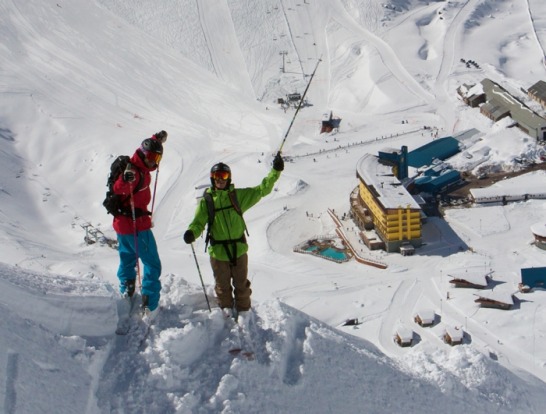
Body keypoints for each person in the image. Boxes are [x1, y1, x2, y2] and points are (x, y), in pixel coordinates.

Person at [183, 153, 284, 317]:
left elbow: (262, 190)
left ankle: (244, 314)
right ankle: (226, 315)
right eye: (216, 176)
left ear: (229, 178)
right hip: (218, 252)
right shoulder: (207, 201)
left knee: (241, 285)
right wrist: (191, 233)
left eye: (223, 175)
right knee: (222, 286)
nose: (220, 179)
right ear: (212, 178)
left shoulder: (237, 197)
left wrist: (275, 171)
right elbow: (198, 222)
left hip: (239, 249)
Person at [112, 131, 167, 317]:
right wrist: (124, 180)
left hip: (122, 226)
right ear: (143, 154)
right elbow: (118, 188)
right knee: (152, 263)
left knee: (127, 258)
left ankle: (126, 289)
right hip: (136, 226)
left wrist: (156, 138)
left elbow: (148, 146)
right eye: (151, 156)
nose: (154, 161)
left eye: (157, 157)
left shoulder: (139, 164)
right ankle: (150, 304)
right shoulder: (133, 172)